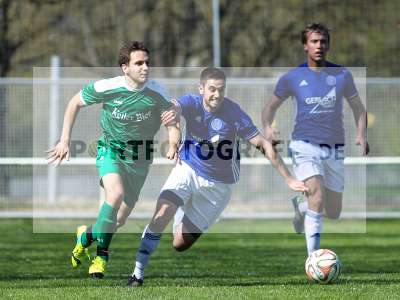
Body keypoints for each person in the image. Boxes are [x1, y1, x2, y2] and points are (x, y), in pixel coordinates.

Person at [127, 67, 308, 287]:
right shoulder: (192, 102)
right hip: (187, 169)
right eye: (211, 89)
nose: (216, 95)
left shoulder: (234, 113)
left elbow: (263, 145)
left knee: (179, 244)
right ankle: (137, 273)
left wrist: (289, 178)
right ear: (201, 88)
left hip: (217, 187)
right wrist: (172, 113)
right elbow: (176, 105)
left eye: (221, 90)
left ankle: (181, 209)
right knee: (162, 213)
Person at [46, 41, 180, 278]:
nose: (145, 67)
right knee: (114, 195)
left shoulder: (158, 92)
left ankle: (85, 236)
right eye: (139, 63)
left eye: (147, 62)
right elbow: (74, 102)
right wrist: (64, 140)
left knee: (118, 219)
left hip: (140, 159)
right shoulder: (108, 87)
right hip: (110, 150)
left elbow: (172, 123)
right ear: (125, 67)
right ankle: (101, 256)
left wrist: (173, 142)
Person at [262, 23, 369, 255]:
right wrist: (268, 128)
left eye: (323, 41)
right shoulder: (292, 77)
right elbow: (269, 108)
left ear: (328, 45)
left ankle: (301, 208)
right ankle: (313, 260)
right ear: (305, 46)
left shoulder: (342, 75)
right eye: (314, 41)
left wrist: (361, 134)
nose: (319, 46)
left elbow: (359, 109)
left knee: (333, 211)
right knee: (318, 197)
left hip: (335, 147)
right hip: (304, 145)